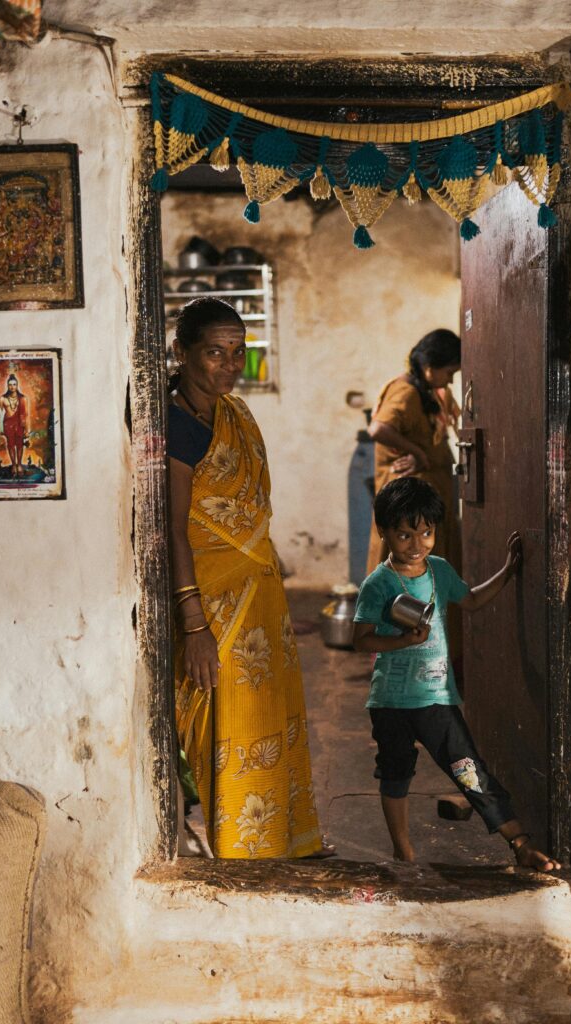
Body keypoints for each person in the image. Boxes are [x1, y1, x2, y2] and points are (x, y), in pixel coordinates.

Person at [167, 297, 330, 859]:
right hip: (213, 604)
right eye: (214, 352)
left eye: (237, 353)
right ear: (181, 351)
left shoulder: (235, 414)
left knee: (268, 715)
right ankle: (238, 845)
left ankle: (279, 838)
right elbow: (173, 531)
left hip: (260, 597)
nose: (228, 365)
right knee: (224, 723)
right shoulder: (176, 425)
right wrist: (193, 623)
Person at [352, 477, 560, 872]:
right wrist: (403, 641)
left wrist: (508, 569)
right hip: (391, 701)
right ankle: (404, 852)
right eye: (405, 534)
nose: (417, 544)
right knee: (395, 773)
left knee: (470, 770)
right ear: (385, 532)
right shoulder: (377, 584)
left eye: (426, 533)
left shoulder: (440, 571)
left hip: (436, 698)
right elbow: (361, 640)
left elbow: (473, 599)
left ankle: (519, 844)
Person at [366, 329, 461, 575]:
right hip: (409, 510)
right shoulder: (406, 392)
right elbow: (378, 428)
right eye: (449, 373)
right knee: (406, 578)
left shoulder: (426, 393)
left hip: (424, 507)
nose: (450, 381)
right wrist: (417, 453)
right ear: (430, 366)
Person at [0, 374, 29, 478]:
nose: (12, 387)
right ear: (7, 386)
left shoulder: (23, 398)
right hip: (8, 424)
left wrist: (26, 429)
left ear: (17, 385)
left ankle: (19, 464)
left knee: (19, 444)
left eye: (14, 384)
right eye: (10, 385)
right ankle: (13, 465)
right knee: (10, 444)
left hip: (19, 423)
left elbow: (25, 415)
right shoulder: (3, 398)